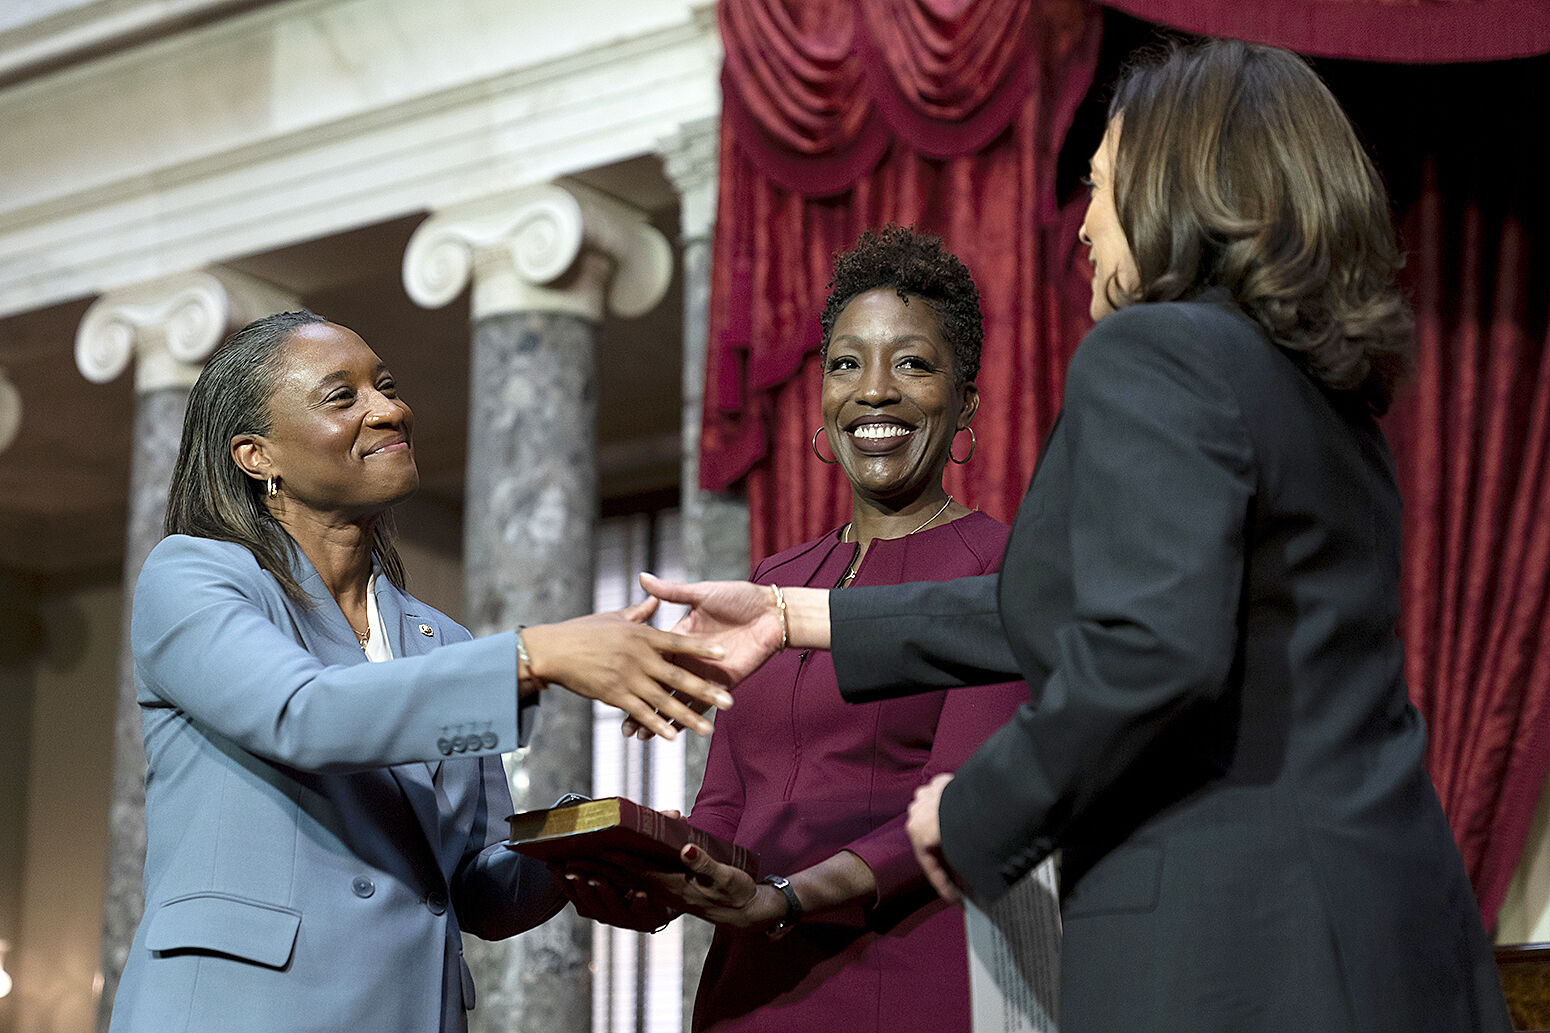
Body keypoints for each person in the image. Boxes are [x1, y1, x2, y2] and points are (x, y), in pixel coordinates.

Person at [644, 40, 1512, 1033]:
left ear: (1172, 190)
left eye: (1098, 188)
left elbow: (1146, 647)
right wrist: (794, 614)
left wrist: (969, 815)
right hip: (1392, 931)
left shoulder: (1153, 349)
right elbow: (1084, 604)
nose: (1082, 226)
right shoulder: (1329, 402)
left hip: (1238, 944)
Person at [107, 311, 732, 1033]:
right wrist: (535, 654)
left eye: (387, 387)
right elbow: (303, 712)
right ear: (256, 455)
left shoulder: (444, 641)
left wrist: (578, 847)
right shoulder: (193, 574)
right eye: (342, 397)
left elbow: (479, 890)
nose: (389, 408)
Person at [565, 227, 1050, 1033]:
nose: (875, 391)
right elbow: (725, 805)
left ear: (964, 400)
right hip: (748, 985)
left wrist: (786, 898)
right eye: (847, 363)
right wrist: (663, 871)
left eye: (914, 363)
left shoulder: (1000, 569)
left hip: (904, 976)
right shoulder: (769, 582)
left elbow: (966, 801)